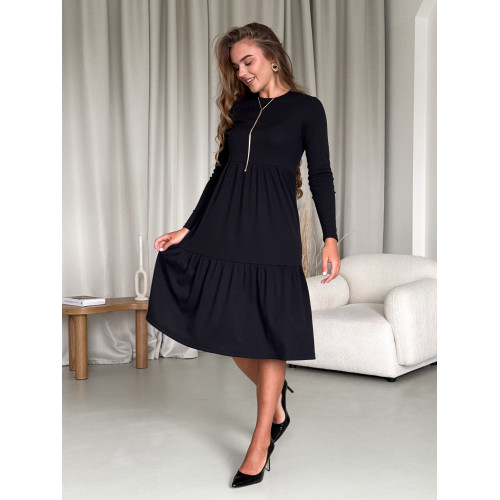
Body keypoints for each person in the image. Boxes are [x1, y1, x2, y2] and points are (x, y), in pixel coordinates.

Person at [146, 22, 340, 488]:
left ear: (272, 57)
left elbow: (321, 175)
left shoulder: (307, 109)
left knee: (269, 334)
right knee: (234, 329)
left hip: (274, 230)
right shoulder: (240, 108)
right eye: (235, 66)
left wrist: (331, 237)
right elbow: (220, 174)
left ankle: (260, 439)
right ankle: (277, 404)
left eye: (247, 61)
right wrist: (188, 228)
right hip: (227, 227)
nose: (242, 72)